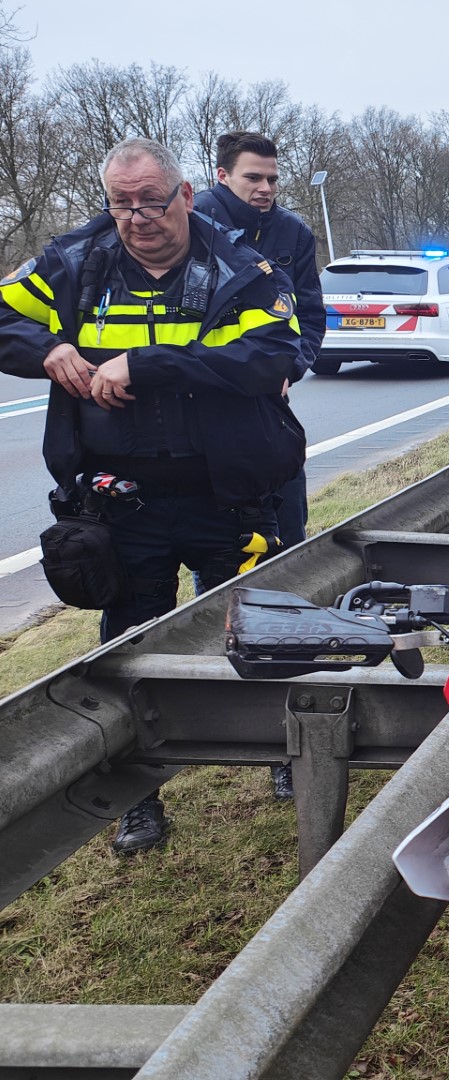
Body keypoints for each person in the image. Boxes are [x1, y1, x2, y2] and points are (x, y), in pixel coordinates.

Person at [0, 137, 305, 852]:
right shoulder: (75, 261)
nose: (136, 218)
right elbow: (3, 318)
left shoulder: (239, 267)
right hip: (121, 501)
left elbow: (270, 356)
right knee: (128, 646)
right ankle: (140, 796)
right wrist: (47, 349)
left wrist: (150, 364)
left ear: (187, 196)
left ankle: (288, 752)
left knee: (259, 630)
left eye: (150, 201)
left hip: (225, 492)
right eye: (120, 203)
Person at [193, 130, 324, 802]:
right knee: (211, 575)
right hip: (197, 435)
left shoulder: (294, 235)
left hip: (267, 429)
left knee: (285, 566)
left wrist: (289, 368)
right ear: (221, 175)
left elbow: (311, 317)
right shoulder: (190, 230)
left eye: (273, 179)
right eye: (254, 179)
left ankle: (285, 740)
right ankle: (206, 715)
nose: (266, 190)